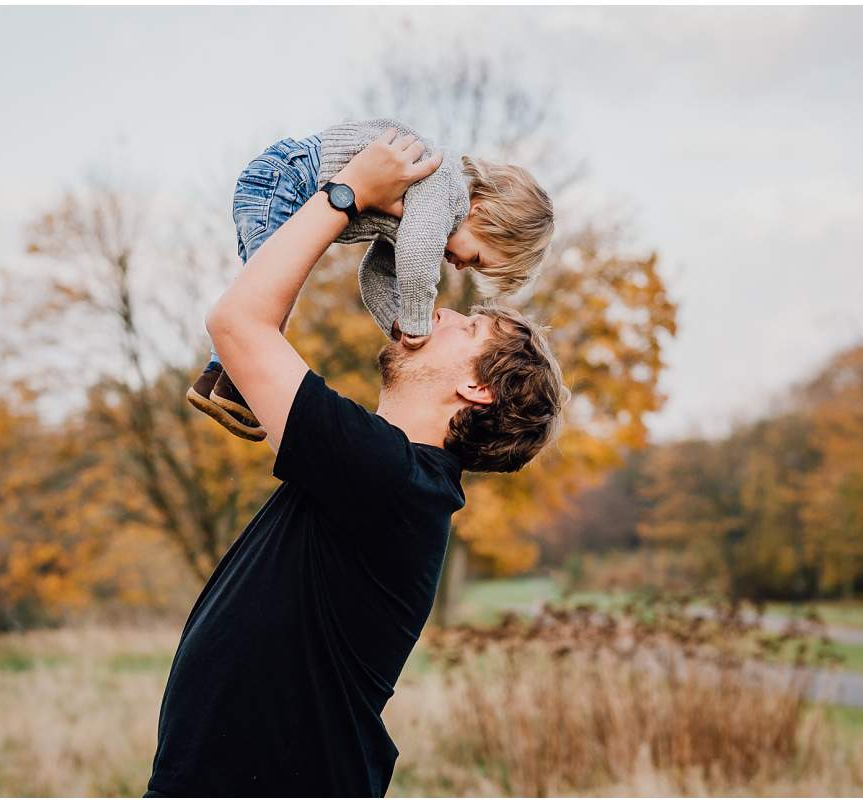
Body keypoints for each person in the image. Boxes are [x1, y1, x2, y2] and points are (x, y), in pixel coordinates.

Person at [145, 130, 568, 797]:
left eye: (467, 327)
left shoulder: (390, 480)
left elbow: (237, 322)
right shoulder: (388, 478)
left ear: (477, 386)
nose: (443, 312)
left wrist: (346, 194)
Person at [185, 117, 555, 440]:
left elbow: (376, 273)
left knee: (270, 295)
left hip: (285, 188)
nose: (460, 267)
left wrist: (396, 322)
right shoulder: (444, 187)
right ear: (483, 212)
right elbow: (415, 257)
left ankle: (218, 380)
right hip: (285, 180)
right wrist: (417, 320)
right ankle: (232, 379)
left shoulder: (419, 219)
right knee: (269, 294)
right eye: (475, 258)